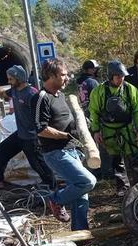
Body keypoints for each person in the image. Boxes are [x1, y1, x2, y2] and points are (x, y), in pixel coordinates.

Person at [32, 58, 96, 230]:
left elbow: (64, 120)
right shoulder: (41, 98)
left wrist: (81, 126)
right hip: (55, 153)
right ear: (51, 76)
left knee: (81, 195)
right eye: (63, 75)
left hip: (71, 151)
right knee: (87, 181)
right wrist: (65, 136)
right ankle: (55, 199)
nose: (67, 78)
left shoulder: (60, 96)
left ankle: (81, 234)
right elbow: (41, 129)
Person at [0, 65, 55, 189]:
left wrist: (41, 135)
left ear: (19, 78)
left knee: (38, 164)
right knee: (1, 151)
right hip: (20, 134)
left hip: (32, 137)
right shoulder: (14, 90)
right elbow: (2, 94)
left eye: (11, 79)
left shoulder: (32, 94)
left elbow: (45, 115)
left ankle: (52, 187)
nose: (9, 82)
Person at [89, 60, 138, 196]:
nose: (121, 79)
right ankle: (122, 188)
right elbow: (94, 112)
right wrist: (96, 131)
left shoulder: (130, 90)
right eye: (118, 76)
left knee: (133, 158)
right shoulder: (99, 91)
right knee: (116, 160)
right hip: (109, 131)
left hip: (127, 129)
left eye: (123, 76)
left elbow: (137, 110)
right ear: (111, 76)